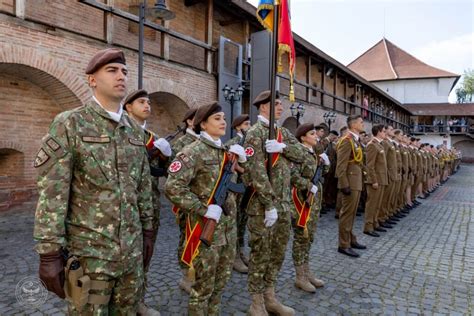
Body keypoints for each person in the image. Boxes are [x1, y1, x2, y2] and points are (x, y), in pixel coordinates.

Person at [33, 48, 155, 314]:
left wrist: (148, 231)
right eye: (111, 70)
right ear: (92, 80)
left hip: (131, 254)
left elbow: (144, 187)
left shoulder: (135, 130)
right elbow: (52, 191)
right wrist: (50, 253)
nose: (121, 76)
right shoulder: (71, 124)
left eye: (124, 71)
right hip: (90, 256)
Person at [165, 102, 247, 315]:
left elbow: (241, 187)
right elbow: (173, 187)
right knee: (202, 288)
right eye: (217, 119)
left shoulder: (226, 152)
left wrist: (243, 165)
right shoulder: (193, 152)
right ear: (202, 124)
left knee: (220, 285)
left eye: (223, 118)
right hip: (206, 231)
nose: (223, 122)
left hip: (227, 231)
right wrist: (202, 209)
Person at [242, 90, 304, 316]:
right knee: (261, 254)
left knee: (277, 253)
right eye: (276, 104)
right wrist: (269, 204)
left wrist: (284, 148)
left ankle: (270, 296)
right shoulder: (254, 134)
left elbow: (302, 155)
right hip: (262, 208)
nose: (280, 107)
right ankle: (256, 302)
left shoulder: (282, 133)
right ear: (263, 107)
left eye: (280, 104)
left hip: (285, 205)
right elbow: (255, 171)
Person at [123, 89, 173, 316]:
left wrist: (165, 156)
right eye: (141, 102)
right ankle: (124, 303)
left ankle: (139, 301)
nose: (147, 105)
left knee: (147, 253)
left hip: (151, 205)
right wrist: (147, 153)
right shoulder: (120, 132)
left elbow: (164, 173)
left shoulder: (152, 136)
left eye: (148, 102)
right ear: (128, 107)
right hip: (126, 205)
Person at [290, 123, 329, 293]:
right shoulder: (299, 153)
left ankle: (307, 272)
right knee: (301, 239)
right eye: (312, 134)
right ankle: (300, 277)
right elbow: (292, 176)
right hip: (301, 201)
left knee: (309, 238)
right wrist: (307, 184)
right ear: (303, 137)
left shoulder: (314, 154)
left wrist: (326, 163)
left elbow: (321, 174)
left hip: (314, 202)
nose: (316, 136)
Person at [170, 107, 199, 294]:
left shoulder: (202, 142)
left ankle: (197, 271)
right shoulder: (181, 143)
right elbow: (172, 174)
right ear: (189, 121)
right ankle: (186, 276)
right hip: (188, 202)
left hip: (204, 202)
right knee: (186, 238)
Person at [335, 115, 366, 258]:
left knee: (352, 214)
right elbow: (341, 165)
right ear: (353, 125)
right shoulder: (347, 141)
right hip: (350, 182)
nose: (363, 124)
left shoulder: (355, 140)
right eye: (361, 122)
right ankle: (343, 244)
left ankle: (351, 239)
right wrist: (344, 184)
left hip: (356, 180)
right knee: (347, 214)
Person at [226, 114, 252, 274]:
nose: (249, 126)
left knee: (243, 222)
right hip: (236, 187)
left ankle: (241, 251)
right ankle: (233, 255)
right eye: (246, 124)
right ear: (238, 127)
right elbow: (231, 167)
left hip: (248, 188)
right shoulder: (231, 145)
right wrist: (244, 169)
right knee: (235, 222)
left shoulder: (251, 143)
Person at [363, 124, 388, 237]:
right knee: (372, 204)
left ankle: (375, 223)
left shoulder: (379, 145)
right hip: (376, 180)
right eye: (383, 131)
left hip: (382, 179)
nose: (385, 133)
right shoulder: (372, 145)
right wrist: (374, 180)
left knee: (378, 204)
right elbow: (370, 165)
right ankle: (368, 227)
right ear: (378, 132)